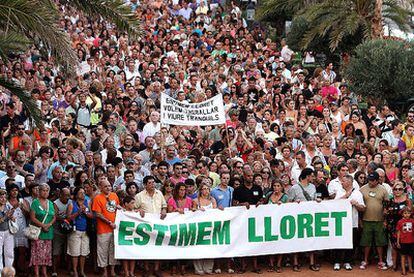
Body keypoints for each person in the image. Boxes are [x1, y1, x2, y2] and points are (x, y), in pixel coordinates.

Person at [287, 168, 319, 272]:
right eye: (312, 176)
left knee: (311, 239)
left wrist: (317, 201)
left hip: (310, 217)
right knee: (297, 240)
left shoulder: (313, 187)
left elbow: (314, 199)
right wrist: (295, 203)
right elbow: (288, 203)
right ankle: (295, 263)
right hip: (297, 217)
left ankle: (312, 262)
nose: (313, 178)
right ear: (307, 176)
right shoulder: (294, 188)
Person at [134, 176, 166, 277]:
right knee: (146, 246)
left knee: (158, 246)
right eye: (150, 183)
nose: (153, 185)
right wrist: (138, 210)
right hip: (145, 225)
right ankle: (146, 269)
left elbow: (164, 205)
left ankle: (156, 269)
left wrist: (164, 209)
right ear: (145, 185)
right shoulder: (139, 196)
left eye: (153, 183)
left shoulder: (159, 193)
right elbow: (133, 208)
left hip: (158, 224)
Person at [332, 174, 365, 271]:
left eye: (344, 181)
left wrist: (356, 204)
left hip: (352, 223)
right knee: (338, 242)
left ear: (350, 182)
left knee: (351, 243)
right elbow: (334, 204)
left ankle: (348, 262)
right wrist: (345, 196)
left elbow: (363, 208)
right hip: (340, 222)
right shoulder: (339, 192)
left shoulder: (357, 193)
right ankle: (337, 262)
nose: (342, 182)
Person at [359, 171, 389, 270]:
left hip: (379, 220)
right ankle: (365, 260)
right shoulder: (362, 189)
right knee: (366, 242)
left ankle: (380, 261)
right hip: (366, 220)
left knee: (380, 242)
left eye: (372, 180)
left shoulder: (383, 190)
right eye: (369, 180)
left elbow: (386, 203)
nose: (370, 182)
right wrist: (360, 220)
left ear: (377, 181)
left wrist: (385, 218)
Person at [92, 179, 120, 277]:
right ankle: (104, 271)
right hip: (103, 229)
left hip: (114, 228)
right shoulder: (97, 198)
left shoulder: (114, 195)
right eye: (105, 186)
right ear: (100, 188)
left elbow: (117, 208)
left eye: (109, 186)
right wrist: (109, 222)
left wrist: (121, 209)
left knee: (113, 250)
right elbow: (97, 214)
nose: (108, 188)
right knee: (102, 250)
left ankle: (112, 271)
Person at [29, 184, 56, 277]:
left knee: (46, 254)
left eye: (47, 190)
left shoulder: (50, 203)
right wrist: (43, 225)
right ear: (39, 191)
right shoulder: (35, 203)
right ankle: (36, 273)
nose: (45, 192)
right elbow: (32, 218)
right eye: (43, 190)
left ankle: (44, 272)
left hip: (48, 232)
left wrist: (49, 225)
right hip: (38, 232)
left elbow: (54, 217)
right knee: (37, 253)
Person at [66, 186, 93, 277]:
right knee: (75, 253)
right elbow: (68, 218)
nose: (83, 194)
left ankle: (81, 270)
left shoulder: (87, 202)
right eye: (81, 192)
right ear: (76, 195)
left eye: (84, 192)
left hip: (85, 230)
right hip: (75, 231)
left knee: (83, 252)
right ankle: (75, 270)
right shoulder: (71, 204)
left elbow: (92, 216)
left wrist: (85, 212)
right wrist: (78, 212)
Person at [192, 183, 217, 275]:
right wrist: (197, 211)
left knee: (210, 247)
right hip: (198, 227)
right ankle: (198, 269)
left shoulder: (213, 200)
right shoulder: (195, 200)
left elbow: (215, 211)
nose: (205, 191)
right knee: (198, 247)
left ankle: (208, 269)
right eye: (203, 189)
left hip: (211, 227)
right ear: (200, 190)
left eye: (207, 189)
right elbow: (192, 212)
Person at [121, 195, 136, 277]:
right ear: (126, 204)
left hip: (134, 235)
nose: (134, 205)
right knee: (125, 254)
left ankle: (131, 272)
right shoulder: (121, 213)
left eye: (134, 203)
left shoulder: (136, 213)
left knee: (133, 254)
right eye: (132, 203)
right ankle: (126, 272)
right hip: (124, 235)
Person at [396, 207, 414, 275]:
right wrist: (398, 242)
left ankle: (410, 268)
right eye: (405, 213)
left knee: (410, 256)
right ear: (402, 214)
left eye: (408, 213)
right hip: (403, 242)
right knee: (403, 256)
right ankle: (403, 270)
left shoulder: (412, 221)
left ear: (411, 214)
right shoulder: (400, 222)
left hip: (411, 241)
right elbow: (398, 232)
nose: (407, 215)